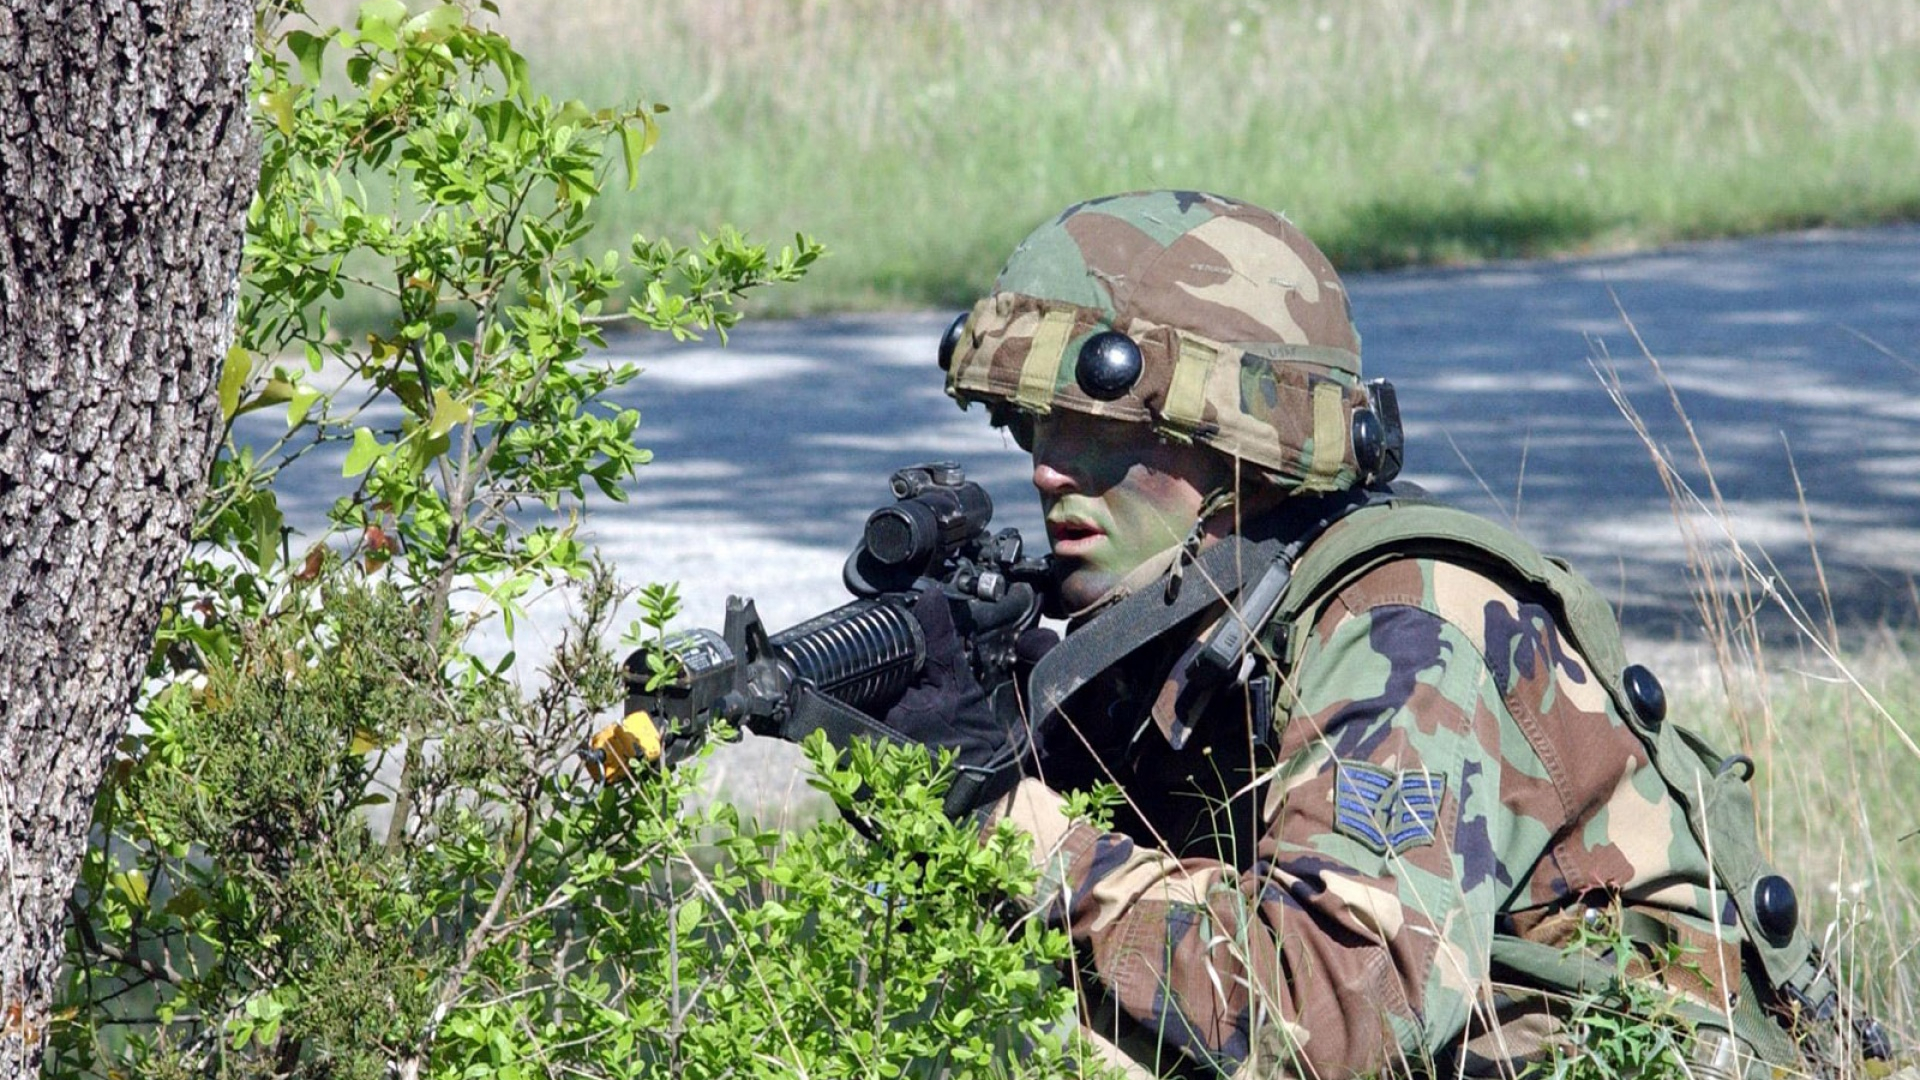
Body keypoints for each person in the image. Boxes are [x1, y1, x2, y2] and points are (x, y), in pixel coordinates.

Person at [886, 190, 1883, 1078]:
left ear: (1238, 443)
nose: (1048, 469)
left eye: (1098, 430)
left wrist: (1000, 819)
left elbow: (1333, 1016)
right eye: (1032, 427)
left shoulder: (1402, 630)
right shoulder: (1208, 608)